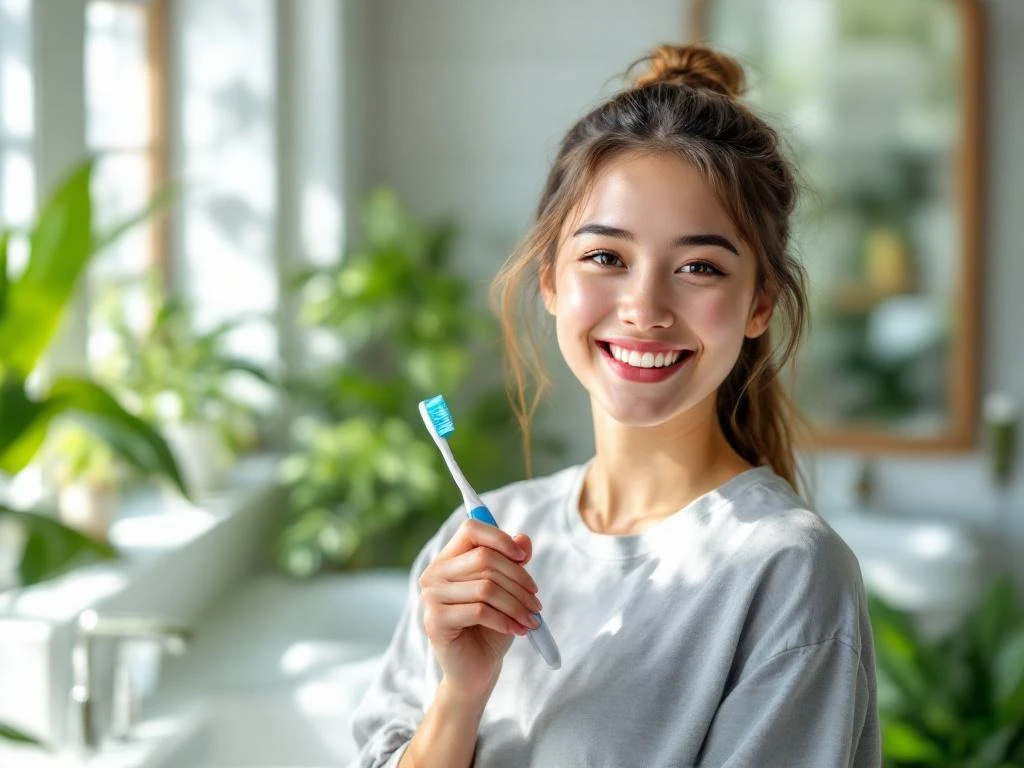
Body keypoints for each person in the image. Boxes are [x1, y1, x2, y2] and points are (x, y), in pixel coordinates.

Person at [351, 43, 881, 768]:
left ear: (759, 304)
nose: (644, 309)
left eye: (699, 267)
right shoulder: (481, 544)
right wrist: (459, 696)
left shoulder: (785, 572)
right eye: (606, 258)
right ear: (550, 280)